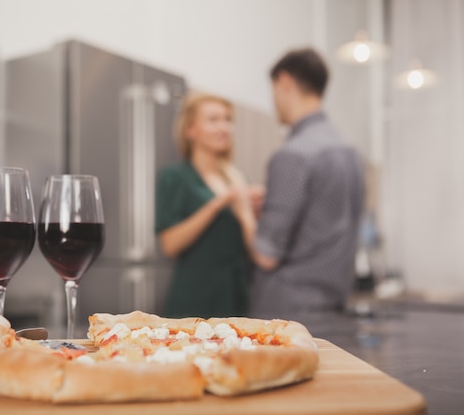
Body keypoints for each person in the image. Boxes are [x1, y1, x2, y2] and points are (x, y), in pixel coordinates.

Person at [236, 48, 365, 319]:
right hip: (334, 307)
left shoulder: (293, 155)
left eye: (273, 90)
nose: (273, 101)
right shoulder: (349, 153)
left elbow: (265, 255)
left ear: (285, 82)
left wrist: (243, 212)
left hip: (288, 312)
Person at [155, 93, 260, 318]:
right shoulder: (175, 177)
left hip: (236, 298)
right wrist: (219, 203)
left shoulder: (238, 180)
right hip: (193, 301)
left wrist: (253, 210)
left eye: (227, 119)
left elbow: (254, 251)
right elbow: (169, 245)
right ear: (190, 130)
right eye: (213, 120)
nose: (224, 127)